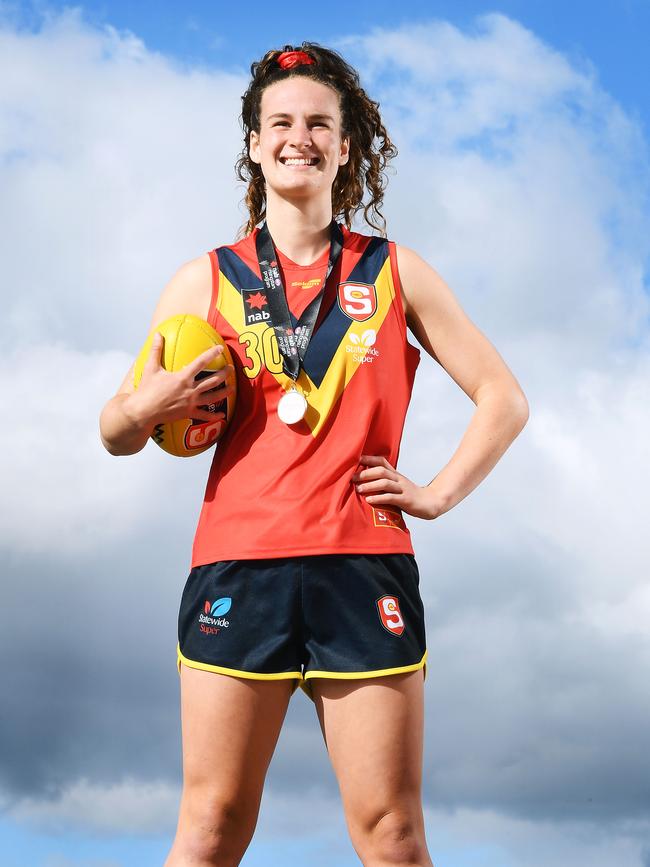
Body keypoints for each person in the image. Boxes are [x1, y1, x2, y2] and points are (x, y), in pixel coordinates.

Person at [99, 42, 528, 867]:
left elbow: (504, 399)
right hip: (239, 566)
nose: (300, 136)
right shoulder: (206, 281)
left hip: (363, 567)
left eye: (320, 123)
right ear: (255, 145)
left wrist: (436, 493)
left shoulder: (396, 271)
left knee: (394, 835)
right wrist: (143, 406)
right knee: (212, 828)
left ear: (346, 146)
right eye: (281, 122)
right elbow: (116, 430)